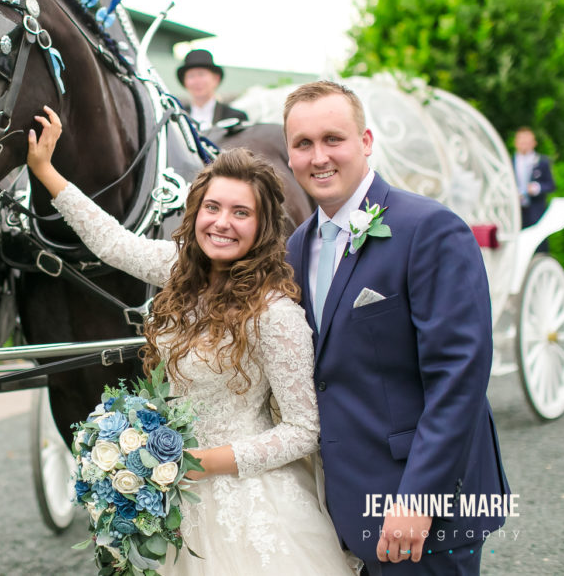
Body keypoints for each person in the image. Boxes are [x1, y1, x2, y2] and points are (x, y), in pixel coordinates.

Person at [27, 106, 355, 574]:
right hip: (172, 500)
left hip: (248, 502)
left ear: (262, 227)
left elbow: (303, 431)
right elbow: (110, 242)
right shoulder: (178, 270)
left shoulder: (275, 313)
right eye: (213, 208)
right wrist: (44, 170)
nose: (222, 223)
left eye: (241, 213)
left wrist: (198, 463)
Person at [283, 81, 510, 575]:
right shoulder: (298, 246)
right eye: (303, 144)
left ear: (365, 142)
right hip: (347, 500)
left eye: (333, 139)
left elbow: (459, 376)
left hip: (427, 502)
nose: (319, 156)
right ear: (289, 154)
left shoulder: (429, 229)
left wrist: (418, 501)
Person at [176, 49, 248, 132]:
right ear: (185, 82)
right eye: (191, 76)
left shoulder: (234, 117)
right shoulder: (178, 117)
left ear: (216, 79)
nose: (197, 81)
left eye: (201, 74)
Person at [513, 126, 556, 253]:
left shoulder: (542, 161)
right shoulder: (510, 161)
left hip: (536, 210)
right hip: (517, 210)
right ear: (516, 143)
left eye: (527, 142)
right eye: (521, 141)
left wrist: (537, 188)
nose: (524, 145)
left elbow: (551, 185)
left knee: (539, 244)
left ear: (534, 143)